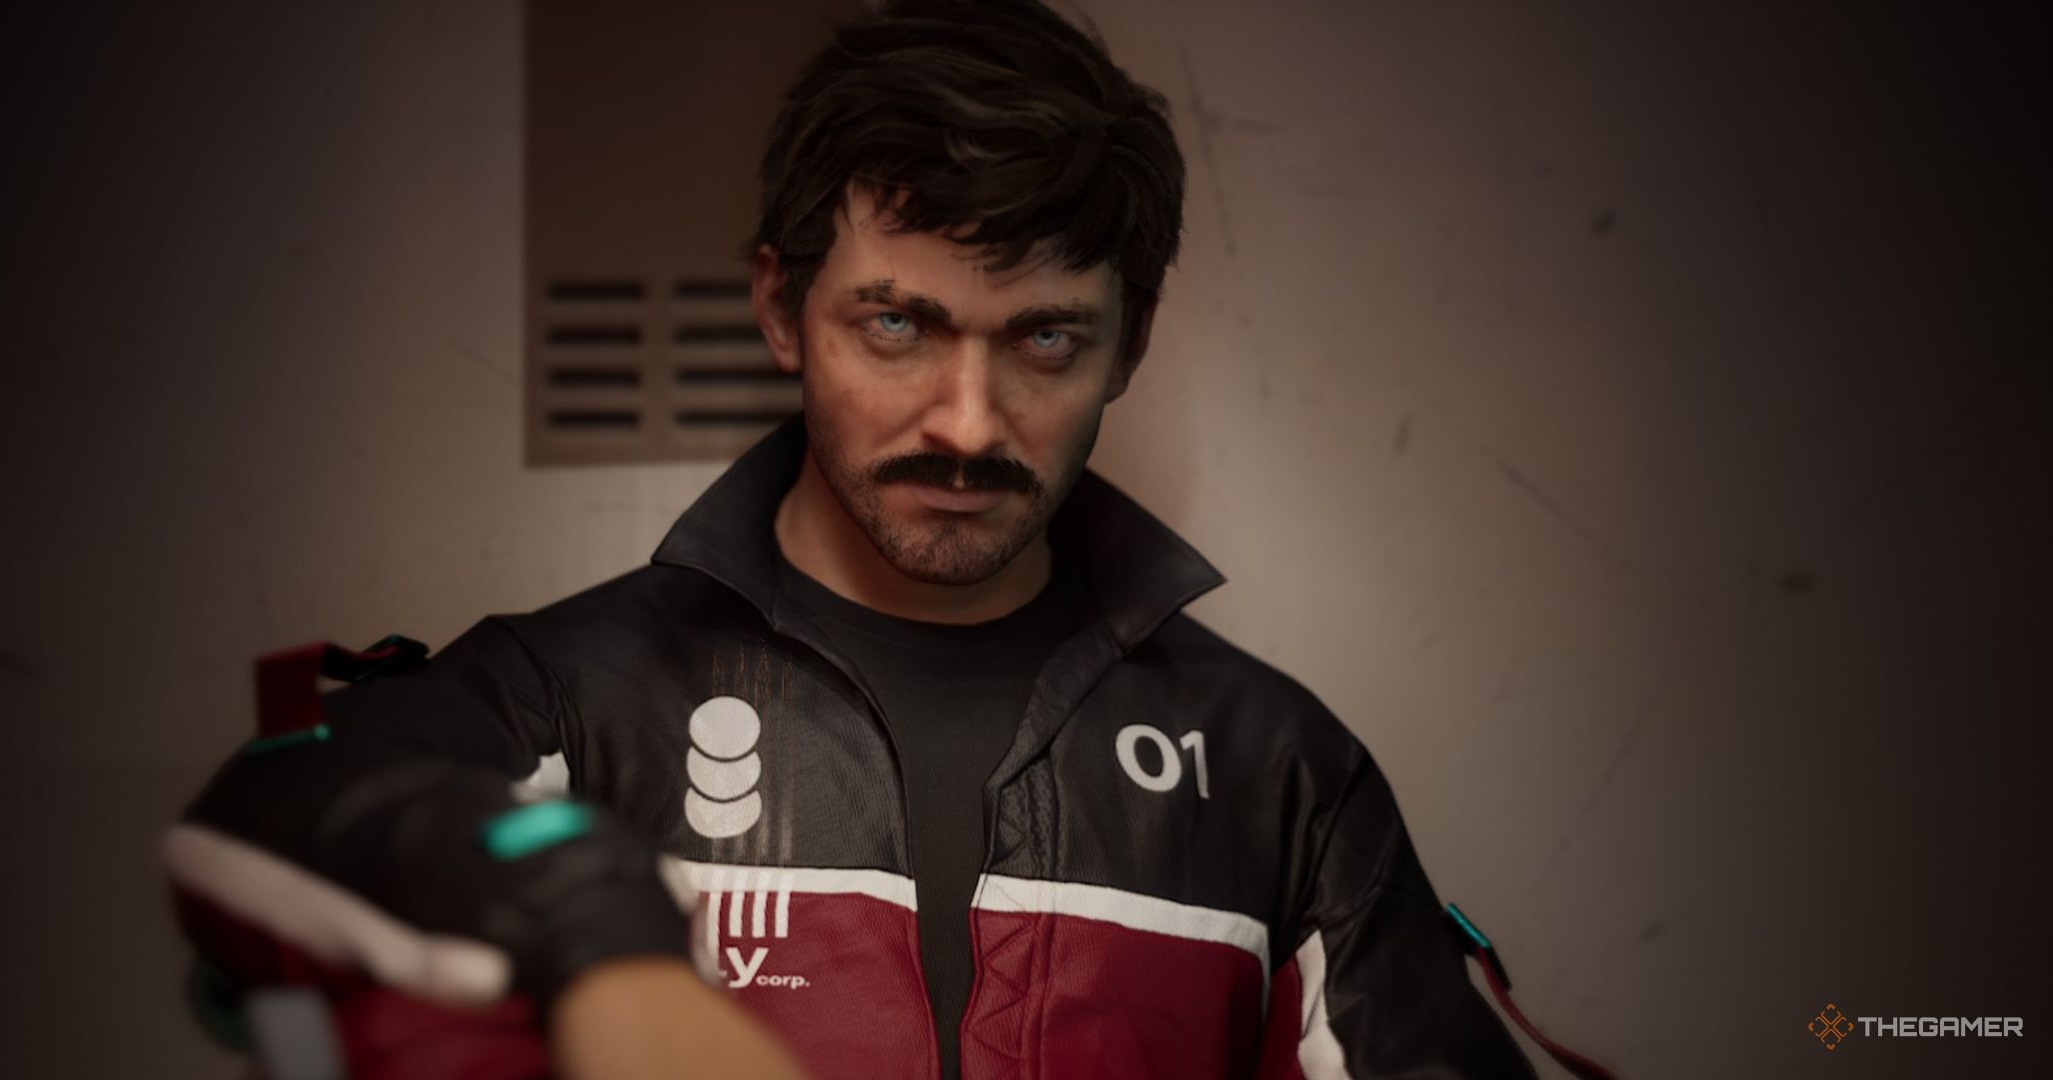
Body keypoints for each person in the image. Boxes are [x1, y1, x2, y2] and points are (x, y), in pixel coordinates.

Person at [165, 1, 1536, 1077]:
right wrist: (594, 934)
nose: (967, 422)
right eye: (898, 324)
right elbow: (261, 816)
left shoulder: (1276, 769)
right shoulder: (572, 699)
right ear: (781, 309)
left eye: (1045, 340)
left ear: (1131, 346)